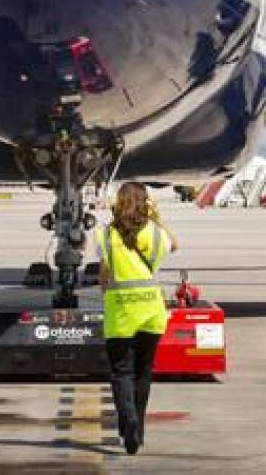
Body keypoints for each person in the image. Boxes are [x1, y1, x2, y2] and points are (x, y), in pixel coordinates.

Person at [97, 182, 178, 455]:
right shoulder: (155, 234)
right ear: (146, 202)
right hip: (151, 314)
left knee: (121, 372)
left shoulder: (106, 235)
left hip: (120, 315)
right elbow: (175, 245)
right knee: (143, 374)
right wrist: (157, 218)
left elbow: (104, 278)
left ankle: (127, 421)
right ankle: (138, 432)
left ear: (119, 203)